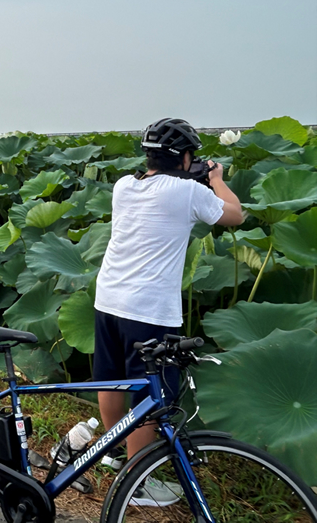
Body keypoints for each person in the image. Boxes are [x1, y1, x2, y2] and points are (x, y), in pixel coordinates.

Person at [93, 118, 243, 505]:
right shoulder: (187, 193)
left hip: (109, 298)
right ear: (186, 157)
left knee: (112, 381)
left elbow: (161, 191)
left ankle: (113, 451)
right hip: (149, 310)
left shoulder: (123, 185)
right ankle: (136, 481)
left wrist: (189, 175)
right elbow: (234, 215)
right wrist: (215, 179)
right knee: (148, 394)